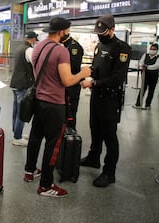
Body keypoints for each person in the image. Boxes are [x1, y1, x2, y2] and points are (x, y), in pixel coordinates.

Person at [24, 17, 91, 197]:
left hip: (38, 100)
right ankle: (46, 185)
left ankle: (29, 171)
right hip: (55, 104)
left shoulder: (38, 46)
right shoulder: (61, 51)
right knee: (53, 145)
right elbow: (67, 80)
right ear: (62, 32)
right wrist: (83, 73)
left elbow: (38, 72)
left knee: (35, 137)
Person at [80, 14, 131, 188]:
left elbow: (118, 78)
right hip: (96, 96)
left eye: (103, 31)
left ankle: (109, 173)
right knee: (95, 128)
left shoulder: (121, 48)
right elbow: (96, 67)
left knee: (109, 135)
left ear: (112, 30)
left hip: (110, 98)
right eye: (98, 32)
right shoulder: (99, 45)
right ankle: (94, 157)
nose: (100, 35)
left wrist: (94, 82)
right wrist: (87, 73)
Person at [9, 31, 38, 146]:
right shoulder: (29, 50)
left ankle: (16, 132)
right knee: (22, 111)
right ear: (33, 39)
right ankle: (17, 137)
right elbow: (35, 65)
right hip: (23, 83)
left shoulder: (19, 48)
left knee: (16, 110)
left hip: (15, 82)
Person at [61, 34, 84, 130]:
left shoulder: (74, 47)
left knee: (70, 112)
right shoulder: (65, 45)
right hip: (66, 84)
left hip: (72, 85)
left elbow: (73, 67)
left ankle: (70, 135)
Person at [133, 43, 159, 109]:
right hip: (145, 74)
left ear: (157, 50)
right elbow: (141, 62)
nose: (152, 50)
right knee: (142, 89)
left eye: (154, 49)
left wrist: (146, 66)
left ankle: (147, 105)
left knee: (151, 90)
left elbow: (156, 66)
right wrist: (143, 66)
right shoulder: (145, 55)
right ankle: (138, 103)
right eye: (151, 49)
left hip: (154, 75)